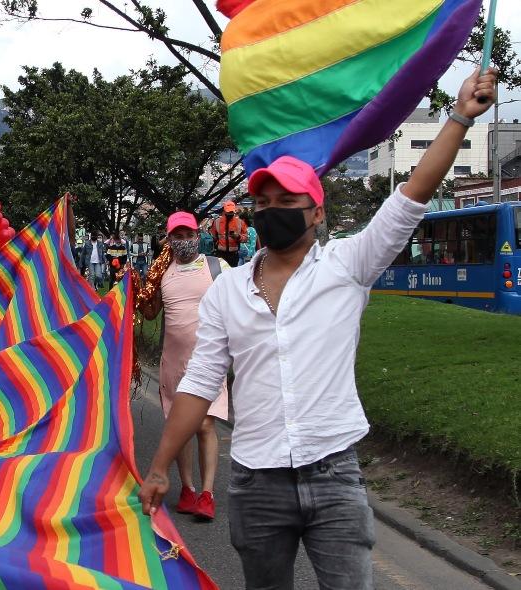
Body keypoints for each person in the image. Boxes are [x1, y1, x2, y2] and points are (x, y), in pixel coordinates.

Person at [139, 70, 498, 590]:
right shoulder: (227, 290)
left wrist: (460, 117)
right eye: (263, 204)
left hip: (334, 479)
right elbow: (198, 386)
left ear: (317, 212)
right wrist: (158, 468)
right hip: (256, 483)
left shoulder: (348, 265)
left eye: (288, 203)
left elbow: (411, 196)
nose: (272, 212)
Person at [138, 212, 230, 521]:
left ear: (198, 233)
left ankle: (207, 493)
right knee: (180, 429)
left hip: (210, 360)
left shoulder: (217, 267)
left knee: (204, 424)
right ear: (168, 239)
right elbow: (149, 314)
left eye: (187, 233)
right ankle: (188, 490)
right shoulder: (162, 273)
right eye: (176, 235)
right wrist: (135, 286)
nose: (183, 240)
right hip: (173, 363)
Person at [209, 201, 248, 267]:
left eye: (231, 211)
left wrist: (238, 237)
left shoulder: (240, 222)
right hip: (220, 254)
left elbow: (246, 238)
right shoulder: (217, 222)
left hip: (233, 254)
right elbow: (213, 236)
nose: (230, 213)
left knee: (232, 273)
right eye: (228, 211)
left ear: (234, 210)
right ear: (224, 210)